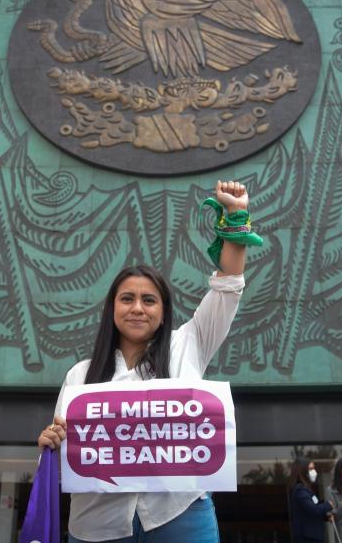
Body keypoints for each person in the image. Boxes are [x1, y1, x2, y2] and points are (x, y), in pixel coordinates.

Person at [37, 180, 256, 543]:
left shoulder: (189, 343)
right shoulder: (79, 376)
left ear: (163, 310)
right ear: (112, 309)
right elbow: (66, 455)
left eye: (149, 300)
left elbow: (229, 283)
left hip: (181, 517)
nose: (137, 308)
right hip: (98, 526)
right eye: (127, 299)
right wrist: (51, 442)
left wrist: (236, 214)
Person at [289, 457, 333, 543]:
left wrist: (325, 517)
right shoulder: (300, 490)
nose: (314, 472)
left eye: (314, 468)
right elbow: (313, 509)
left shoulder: (306, 490)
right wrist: (328, 505)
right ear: (303, 471)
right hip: (307, 538)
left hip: (313, 537)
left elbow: (310, 512)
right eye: (311, 469)